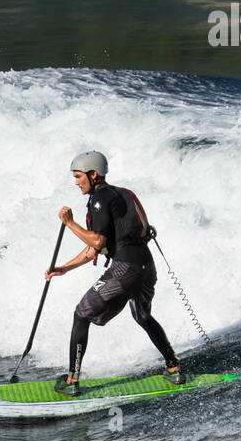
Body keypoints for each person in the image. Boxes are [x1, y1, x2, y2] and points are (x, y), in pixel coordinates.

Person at [45, 152, 181, 393]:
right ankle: (174, 369)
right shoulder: (125, 194)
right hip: (146, 267)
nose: (76, 182)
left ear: (93, 175)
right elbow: (95, 249)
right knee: (143, 316)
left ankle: (72, 381)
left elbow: (97, 241)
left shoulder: (100, 198)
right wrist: (64, 268)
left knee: (80, 315)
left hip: (125, 269)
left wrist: (70, 223)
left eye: (78, 177)